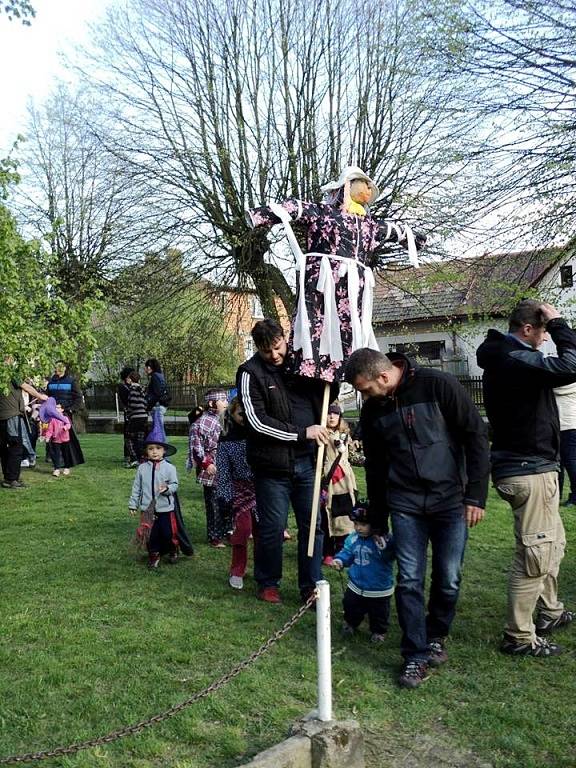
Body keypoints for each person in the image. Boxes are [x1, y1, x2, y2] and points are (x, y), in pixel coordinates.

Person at [344, 347, 489, 688]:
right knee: (409, 578)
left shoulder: (438, 385)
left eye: (365, 389)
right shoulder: (373, 411)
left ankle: (437, 634)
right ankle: (415, 654)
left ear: (383, 376)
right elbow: (376, 469)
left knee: (448, 576)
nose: (364, 396)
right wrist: (378, 519)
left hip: (451, 499)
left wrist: (476, 495)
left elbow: (475, 436)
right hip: (406, 504)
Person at [477, 300, 576, 658]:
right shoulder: (515, 357)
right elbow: (571, 365)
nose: (547, 338)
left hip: (530, 466)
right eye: (544, 330)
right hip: (527, 469)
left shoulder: (509, 357)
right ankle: (519, 636)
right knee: (534, 556)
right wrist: (561, 322)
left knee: (553, 543)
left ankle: (549, 611)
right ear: (528, 329)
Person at [237, 319, 335, 604]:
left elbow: (323, 396)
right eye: (267, 352)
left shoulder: (303, 364)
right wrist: (301, 433)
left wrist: (331, 381)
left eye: (278, 348)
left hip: (308, 464)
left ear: (285, 338)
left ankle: (310, 585)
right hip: (272, 468)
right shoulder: (249, 373)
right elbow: (257, 423)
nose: (275, 356)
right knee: (272, 527)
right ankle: (268, 582)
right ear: (258, 349)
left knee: (312, 526)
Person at [129, 411, 193, 569]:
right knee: (151, 535)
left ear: (164, 450)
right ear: (146, 451)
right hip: (147, 509)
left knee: (168, 533)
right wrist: (133, 504)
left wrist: (167, 489)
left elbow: (175, 485)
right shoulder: (142, 468)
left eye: (158, 448)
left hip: (166, 508)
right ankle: (154, 554)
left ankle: (173, 548)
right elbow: (136, 487)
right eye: (151, 448)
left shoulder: (170, 468)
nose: (154, 451)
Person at [330, 500, 395, 643]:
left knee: (379, 613)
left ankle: (378, 631)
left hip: (379, 588)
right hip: (355, 586)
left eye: (363, 525)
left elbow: (390, 555)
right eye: (356, 524)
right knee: (351, 606)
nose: (358, 528)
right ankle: (350, 623)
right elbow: (347, 552)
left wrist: (384, 545)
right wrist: (340, 560)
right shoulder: (353, 538)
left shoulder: (383, 540)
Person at [216, 398, 257, 590]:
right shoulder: (226, 439)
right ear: (232, 414)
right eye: (241, 414)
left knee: (265, 531)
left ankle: (264, 571)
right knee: (242, 530)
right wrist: (224, 497)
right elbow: (223, 471)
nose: (245, 418)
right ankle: (237, 569)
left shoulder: (258, 433)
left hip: (263, 487)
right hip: (240, 489)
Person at [187, 390, 230, 547]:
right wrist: (206, 463)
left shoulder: (227, 420)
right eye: (223, 400)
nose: (226, 402)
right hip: (211, 468)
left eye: (227, 399)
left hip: (226, 466)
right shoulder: (200, 423)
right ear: (212, 403)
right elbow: (196, 447)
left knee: (227, 501)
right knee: (213, 503)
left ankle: (228, 531)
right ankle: (215, 536)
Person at [321, 403, 356, 565]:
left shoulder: (345, 435)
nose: (332, 417)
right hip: (328, 481)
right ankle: (327, 551)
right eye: (329, 414)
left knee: (345, 516)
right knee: (327, 516)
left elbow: (351, 457)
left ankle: (343, 549)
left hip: (345, 482)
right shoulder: (321, 434)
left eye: (335, 414)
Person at [0, 370, 47, 489]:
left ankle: (8, 477)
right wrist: (41, 396)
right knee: (16, 446)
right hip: (11, 416)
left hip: (3, 417)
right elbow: (26, 387)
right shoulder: (9, 373)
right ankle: (12, 479)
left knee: (5, 449)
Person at [46, 362, 85, 467]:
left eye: (61, 367)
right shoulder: (51, 382)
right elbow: (48, 397)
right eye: (57, 366)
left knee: (66, 436)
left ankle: (68, 459)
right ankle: (53, 457)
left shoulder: (71, 381)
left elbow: (78, 397)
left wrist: (72, 409)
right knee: (51, 435)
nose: (58, 369)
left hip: (65, 413)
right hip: (53, 413)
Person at [553, 382, 576, 507]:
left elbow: (558, 389)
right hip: (561, 424)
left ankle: (574, 496)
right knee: (558, 462)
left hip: (567, 424)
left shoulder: (568, 376)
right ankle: (557, 494)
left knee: (570, 461)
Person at [43, 400, 72, 477]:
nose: (56, 409)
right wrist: (47, 437)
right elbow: (50, 430)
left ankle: (67, 467)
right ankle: (56, 469)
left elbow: (69, 424)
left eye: (58, 408)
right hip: (56, 440)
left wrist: (65, 428)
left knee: (65, 454)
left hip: (65, 439)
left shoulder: (65, 417)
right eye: (55, 408)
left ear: (62, 409)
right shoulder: (52, 419)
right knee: (56, 455)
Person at [125, 371, 148, 467]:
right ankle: (141, 458)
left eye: (128, 378)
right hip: (143, 417)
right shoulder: (141, 389)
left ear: (131, 379)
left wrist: (128, 412)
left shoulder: (132, 390)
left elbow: (133, 404)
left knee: (129, 438)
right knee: (140, 439)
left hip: (135, 417)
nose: (127, 380)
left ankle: (134, 458)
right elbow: (145, 403)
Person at [144, 358, 170, 427]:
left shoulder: (154, 376)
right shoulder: (159, 376)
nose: (145, 369)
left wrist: (148, 406)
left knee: (158, 430)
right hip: (161, 405)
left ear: (149, 367)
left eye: (146, 367)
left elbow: (156, 393)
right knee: (159, 429)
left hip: (158, 406)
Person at [118, 366, 135, 467]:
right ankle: (127, 455)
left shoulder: (131, 386)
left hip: (134, 413)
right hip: (129, 413)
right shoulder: (123, 387)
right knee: (128, 434)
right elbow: (126, 400)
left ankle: (134, 454)